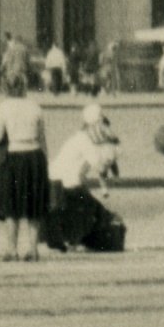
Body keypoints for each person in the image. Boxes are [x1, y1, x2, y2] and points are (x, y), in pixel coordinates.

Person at [43, 102, 125, 252]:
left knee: (89, 208)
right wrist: (111, 152)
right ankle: (77, 240)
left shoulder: (78, 138)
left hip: (54, 187)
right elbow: (97, 168)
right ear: (98, 123)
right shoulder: (86, 142)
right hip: (67, 189)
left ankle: (71, 238)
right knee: (105, 219)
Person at [0, 70, 49, 262]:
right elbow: (42, 138)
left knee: (11, 204)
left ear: (5, 86)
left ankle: (11, 249)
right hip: (34, 155)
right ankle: (33, 249)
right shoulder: (35, 107)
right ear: (24, 86)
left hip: (13, 156)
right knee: (34, 206)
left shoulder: (1, 109)